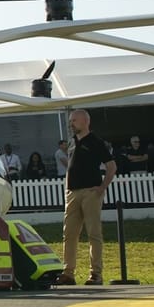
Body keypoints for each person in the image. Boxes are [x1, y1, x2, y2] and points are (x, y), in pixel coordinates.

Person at [55, 109, 116, 287]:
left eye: (74, 120)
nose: (71, 123)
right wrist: (67, 189)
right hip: (73, 192)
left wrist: (102, 187)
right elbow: (70, 168)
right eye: (70, 120)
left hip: (90, 192)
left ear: (85, 121)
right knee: (69, 234)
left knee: (93, 233)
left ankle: (96, 274)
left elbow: (111, 166)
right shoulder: (72, 143)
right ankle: (68, 273)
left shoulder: (96, 142)